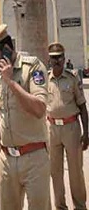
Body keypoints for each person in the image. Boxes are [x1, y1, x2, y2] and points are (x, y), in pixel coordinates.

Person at [0, 24, 50, 210]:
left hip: (34, 157)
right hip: (7, 159)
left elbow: (40, 109)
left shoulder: (32, 67)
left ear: (7, 50)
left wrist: (11, 82)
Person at [46, 42, 88, 210]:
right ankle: (60, 206)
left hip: (71, 128)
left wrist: (87, 132)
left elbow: (83, 107)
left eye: (59, 58)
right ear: (49, 60)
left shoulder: (72, 77)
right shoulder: (44, 80)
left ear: (64, 59)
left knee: (75, 171)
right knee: (55, 172)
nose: (56, 61)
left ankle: (80, 206)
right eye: (53, 58)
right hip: (52, 129)